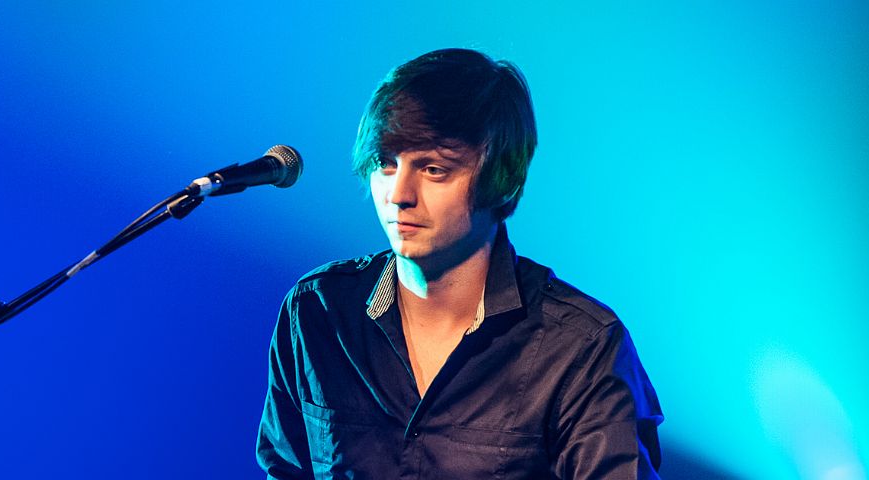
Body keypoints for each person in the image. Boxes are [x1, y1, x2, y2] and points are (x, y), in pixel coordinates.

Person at [256, 48, 663, 479]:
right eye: (385, 163)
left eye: (434, 169)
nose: (398, 194)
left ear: (502, 179)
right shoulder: (316, 311)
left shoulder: (582, 348)